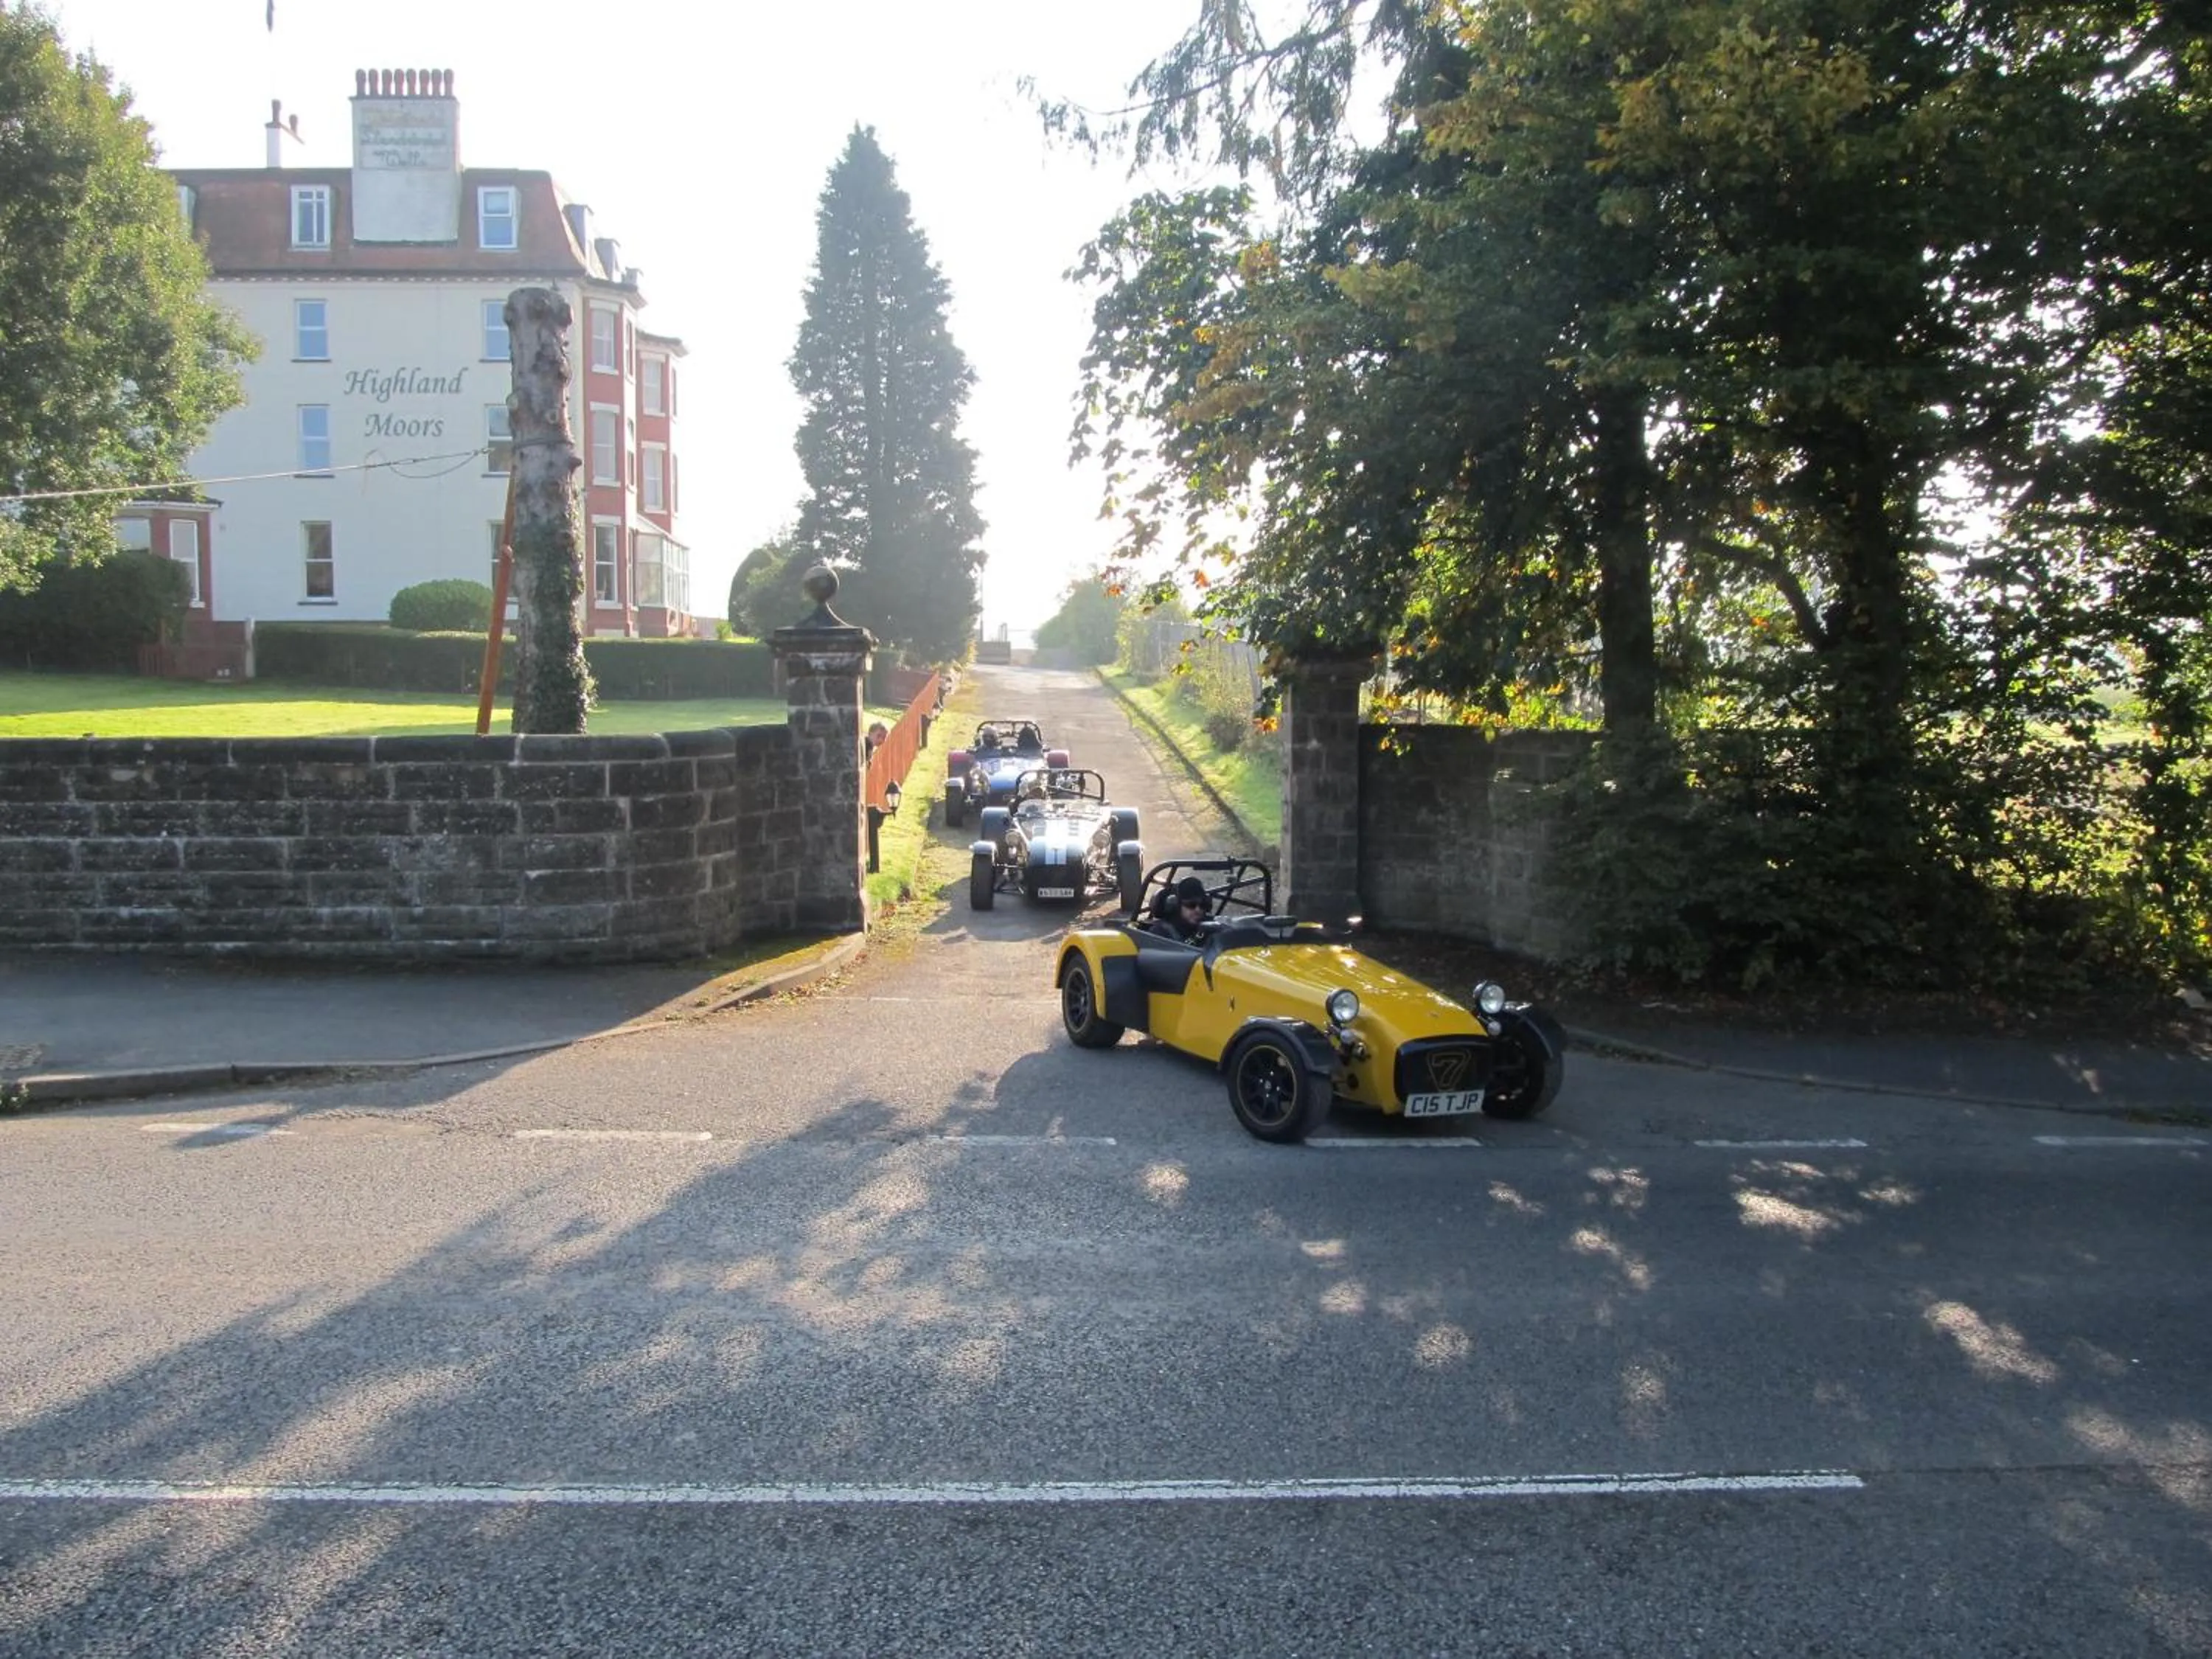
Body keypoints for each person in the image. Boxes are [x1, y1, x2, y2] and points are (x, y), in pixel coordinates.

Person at [1149, 875, 1212, 942]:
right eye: (1191, 905)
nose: (1198, 910)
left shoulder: (1209, 927)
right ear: (1176, 905)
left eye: (1203, 905)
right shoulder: (1160, 933)